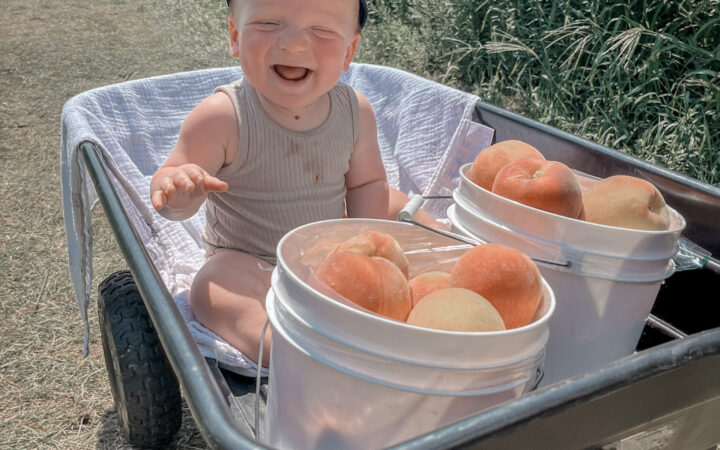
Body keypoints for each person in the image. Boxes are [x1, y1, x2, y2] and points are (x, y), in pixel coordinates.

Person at [150, 0, 439, 368]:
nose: (294, 45)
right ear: (235, 37)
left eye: (321, 29)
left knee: (393, 201)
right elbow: (175, 184)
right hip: (254, 264)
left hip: (331, 252)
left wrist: (364, 250)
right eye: (270, 23)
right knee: (211, 287)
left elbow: (367, 183)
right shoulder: (222, 116)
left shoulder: (356, 111)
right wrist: (178, 188)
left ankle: (449, 266)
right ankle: (293, 350)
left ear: (349, 50)